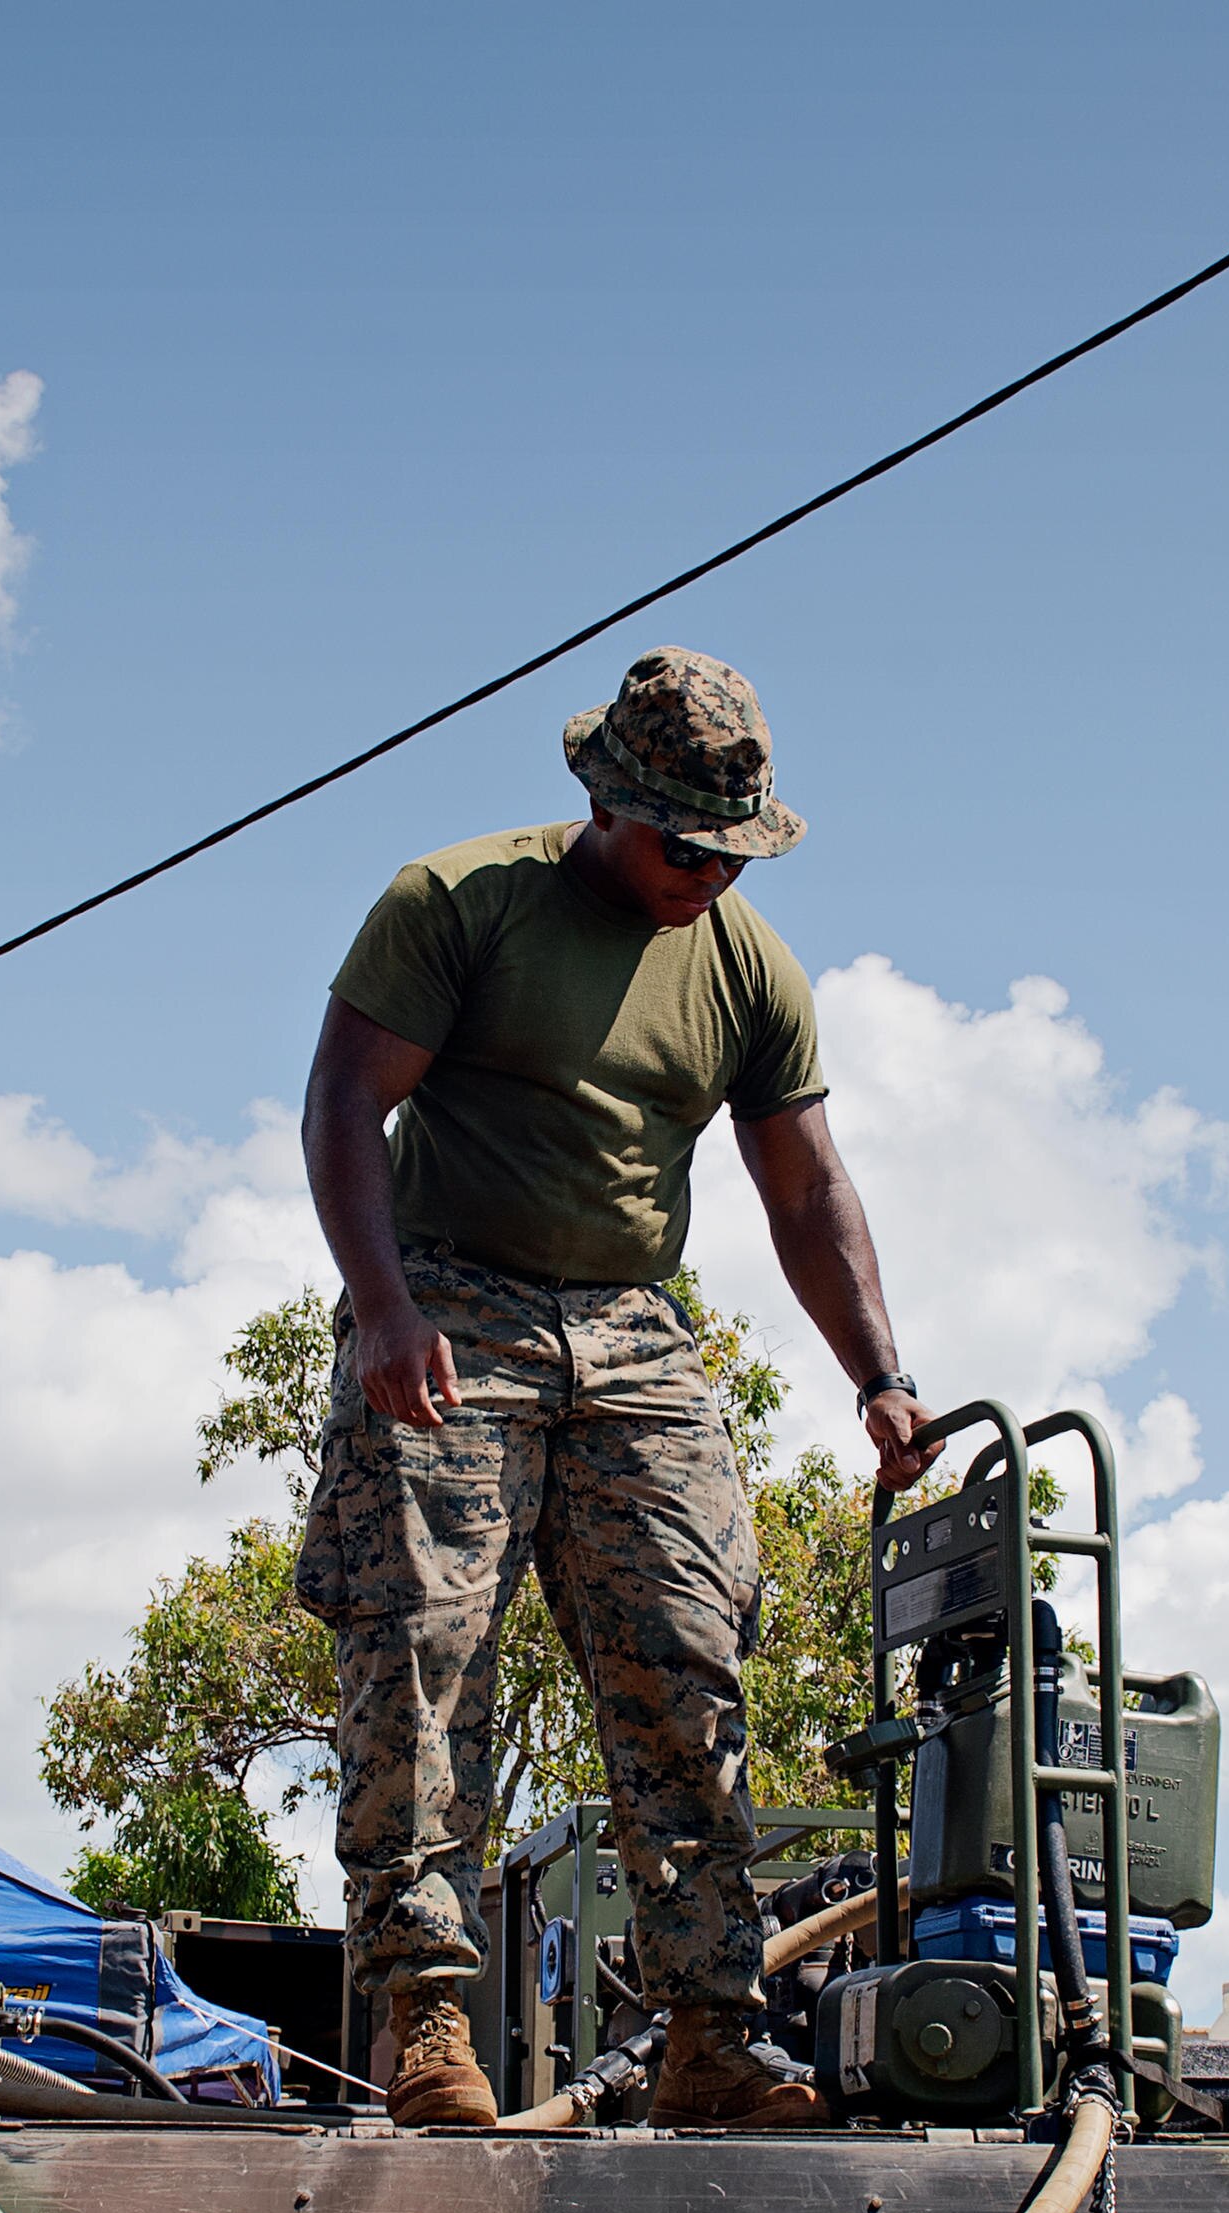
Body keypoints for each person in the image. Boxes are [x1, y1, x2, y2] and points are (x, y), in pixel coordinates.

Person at [293, 647, 938, 2133]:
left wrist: (882, 1376)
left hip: (635, 1327)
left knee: (689, 1658)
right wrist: (383, 1306)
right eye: (681, 844)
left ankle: (711, 2030)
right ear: (605, 802)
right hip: (454, 1292)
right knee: (422, 1652)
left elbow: (806, 1187)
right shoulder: (459, 905)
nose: (706, 873)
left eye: (732, 849)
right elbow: (341, 1103)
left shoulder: (747, 966)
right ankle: (430, 2020)